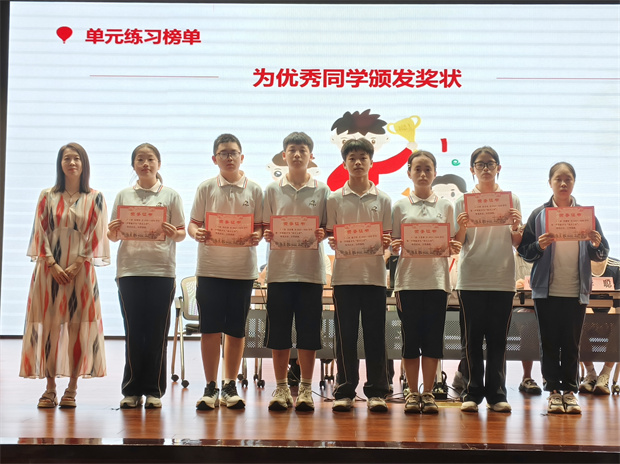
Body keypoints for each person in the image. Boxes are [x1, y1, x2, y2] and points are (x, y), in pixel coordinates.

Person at [20, 143, 110, 408]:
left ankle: (72, 387)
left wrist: (76, 264)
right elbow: (40, 231)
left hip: (81, 273)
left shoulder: (95, 197)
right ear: (60, 164)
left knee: (77, 328)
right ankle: (50, 388)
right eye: (66, 159)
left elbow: (96, 235)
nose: (72, 163)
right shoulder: (47, 195)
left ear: (84, 164)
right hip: (49, 272)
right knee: (49, 328)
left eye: (76, 158)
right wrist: (52, 263)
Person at [518, 162, 609, 414]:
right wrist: (538, 246)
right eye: (558, 179)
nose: (563, 183)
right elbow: (525, 251)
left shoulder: (586, 216)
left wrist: (595, 244)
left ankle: (569, 391)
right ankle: (553, 393)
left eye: (568, 179)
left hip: (575, 290)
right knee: (548, 343)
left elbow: (603, 251)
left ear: (574, 182)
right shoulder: (539, 215)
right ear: (550, 183)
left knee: (571, 344)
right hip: (546, 290)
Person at [107, 143, 186, 409]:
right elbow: (112, 235)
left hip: (161, 271)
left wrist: (173, 233)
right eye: (140, 159)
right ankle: (131, 390)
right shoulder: (123, 195)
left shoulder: (171, 196)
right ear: (133, 165)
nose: (145, 164)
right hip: (129, 270)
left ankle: (154, 391)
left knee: (156, 333)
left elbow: (181, 233)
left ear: (158, 164)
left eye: (150, 159)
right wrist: (112, 232)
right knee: (133, 331)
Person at [188, 134, 263, 410]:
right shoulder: (206, 188)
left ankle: (229, 385)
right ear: (214, 159)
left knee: (235, 330)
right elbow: (193, 224)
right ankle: (210, 386)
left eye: (233, 153)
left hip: (242, 271)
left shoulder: (255, 190)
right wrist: (197, 233)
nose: (229, 158)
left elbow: (261, 227)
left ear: (242, 157)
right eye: (223, 153)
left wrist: (257, 235)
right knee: (209, 329)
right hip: (210, 269)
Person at [262, 132, 330, 411]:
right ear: (284, 155)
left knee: (308, 334)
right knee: (278, 334)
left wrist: (323, 232)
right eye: (292, 150)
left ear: (311, 156)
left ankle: (305, 389)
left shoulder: (323, 190)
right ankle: (281, 388)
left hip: (311, 273)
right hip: (279, 272)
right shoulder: (272, 189)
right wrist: (266, 233)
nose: (297, 155)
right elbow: (264, 226)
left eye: (303, 150)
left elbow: (327, 227)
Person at [390, 150, 461, 414]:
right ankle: (411, 392)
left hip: (437, 282)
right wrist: (394, 245)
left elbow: (452, 242)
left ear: (435, 173)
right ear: (408, 172)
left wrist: (453, 245)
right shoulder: (399, 206)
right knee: (410, 340)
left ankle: (428, 393)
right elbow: (393, 243)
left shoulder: (446, 206)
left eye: (427, 169)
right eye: (417, 169)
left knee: (432, 340)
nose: (422, 174)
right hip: (407, 283)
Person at [454, 146, 522, 413]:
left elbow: (516, 242)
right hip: (471, 278)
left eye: (490, 163)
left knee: (497, 341)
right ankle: (472, 393)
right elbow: (458, 243)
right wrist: (462, 226)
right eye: (480, 164)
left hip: (502, 279)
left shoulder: (511, 199)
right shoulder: (463, 202)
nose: (485, 168)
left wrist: (516, 226)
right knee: (471, 341)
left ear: (498, 168)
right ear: (472, 169)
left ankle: (496, 394)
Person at [326, 137, 392, 412]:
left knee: (376, 336)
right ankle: (345, 390)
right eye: (351, 158)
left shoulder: (384, 199)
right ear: (344, 164)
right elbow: (330, 234)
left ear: (371, 162)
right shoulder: (334, 199)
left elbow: (388, 238)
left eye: (363, 158)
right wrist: (333, 240)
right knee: (345, 338)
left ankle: (377, 392)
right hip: (344, 279)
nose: (357, 163)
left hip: (374, 278)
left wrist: (385, 244)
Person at [579, 257, 620, 395]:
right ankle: (590, 374)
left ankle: (605, 375)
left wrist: (613, 311)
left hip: (611, 318)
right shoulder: (580, 267)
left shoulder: (617, 267)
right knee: (575, 324)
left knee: (619, 323)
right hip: (586, 317)